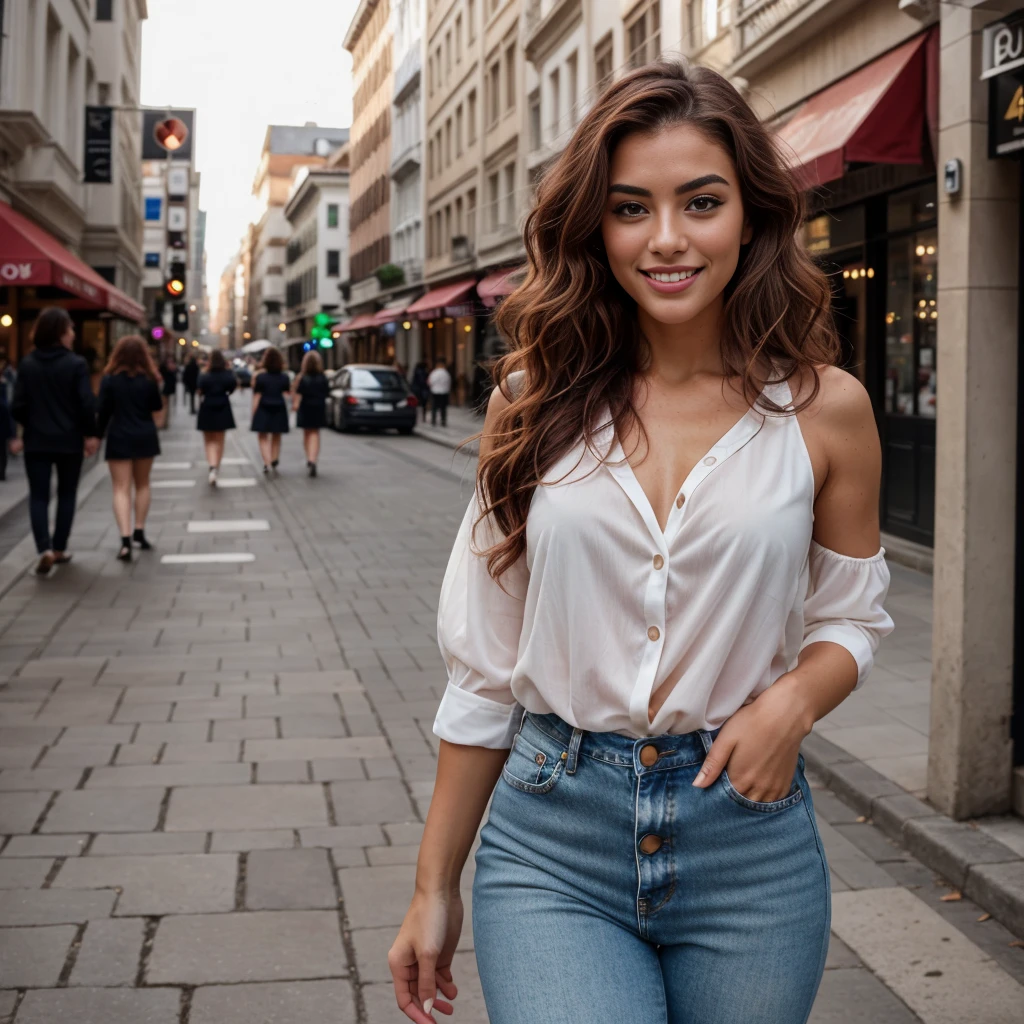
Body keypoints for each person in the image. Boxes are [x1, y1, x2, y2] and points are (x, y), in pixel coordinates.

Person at [388, 60, 895, 1024]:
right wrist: (433, 883)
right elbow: (487, 668)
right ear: (597, 227)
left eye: (700, 202)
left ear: (750, 215)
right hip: (552, 840)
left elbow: (853, 616)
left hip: (749, 845)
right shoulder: (529, 405)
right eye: (631, 208)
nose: (667, 239)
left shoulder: (827, 411)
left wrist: (794, 701)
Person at [11, 308, 98, 577]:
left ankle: (43, 549)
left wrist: (28, 427)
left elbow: (17, 406)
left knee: (37, 496)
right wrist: (90, 434)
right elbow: (85, 404)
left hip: (36, 440)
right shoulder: (76, 364)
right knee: (67, 494)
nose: (73, 335)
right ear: (61, 333)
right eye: (70, 330)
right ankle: (59, 548)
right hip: (68, 440)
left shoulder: (27, 364)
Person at [97, 336, 163, 562]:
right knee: (143, 484)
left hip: (119, 435)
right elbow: (157, 406)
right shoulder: (149, 380)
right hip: (145, 435)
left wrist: (95, 436)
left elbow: (103, 411)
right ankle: (140, 531)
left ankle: (125, 540)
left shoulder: (109, 380)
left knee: (121, 488)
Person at [196, 349, 237, 486]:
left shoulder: (204, 375)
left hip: (207, 407)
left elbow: (199, 391)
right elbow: (232, 388)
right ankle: (216, 467)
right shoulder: (228, 375)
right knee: (220, 440)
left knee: (209, 440)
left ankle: (212, 466)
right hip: (223, 407)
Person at [250, 346, 290, 476]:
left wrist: (253, 412)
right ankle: (274, 458)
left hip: (263, 408)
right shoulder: (284, 377)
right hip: (279, 408)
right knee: (276, 435)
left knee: (262, 436)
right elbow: (287, 395)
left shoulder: (261, 377)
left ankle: (266, 462)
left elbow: (257, 396)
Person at [292, 350, 329, 477]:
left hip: (305, 407)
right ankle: (313, 459)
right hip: (319, 406)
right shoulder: (323, 377)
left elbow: (298, 393)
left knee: (307, 433)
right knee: (315, 433)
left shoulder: (302, 378)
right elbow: (327, 392)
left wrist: (295, 405)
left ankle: (309, 458)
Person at [0, 347, 19, 481]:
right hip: (5, 412)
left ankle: (1, 471)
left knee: (2, 446)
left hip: (5, 414)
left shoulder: (10, 375)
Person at [426, 357, 451, 427]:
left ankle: (433, 420)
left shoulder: (434, 373)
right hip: (444, 392)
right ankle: (443, 421)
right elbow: (448, 382)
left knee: (434, 407)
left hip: (435, 391)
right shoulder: (446, 373)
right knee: (443, 407)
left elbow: (430, 382)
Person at [160, 358, 178, 426]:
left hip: (167, 389)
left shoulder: (171, 371)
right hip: (166, 388)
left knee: (166, 406)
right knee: (165, 405)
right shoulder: (165, 370)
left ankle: (165, 422)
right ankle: (164, 421)